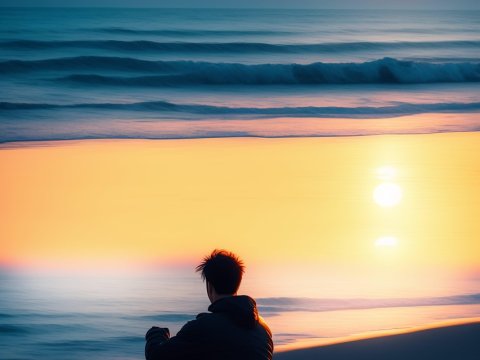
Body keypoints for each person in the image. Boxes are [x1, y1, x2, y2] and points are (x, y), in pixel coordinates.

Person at [145, 249, 273, 360]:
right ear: (237, 283)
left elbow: (156, 356)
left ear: (209, 286)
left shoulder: (202, 328)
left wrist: (156, 335)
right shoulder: (263, 329)